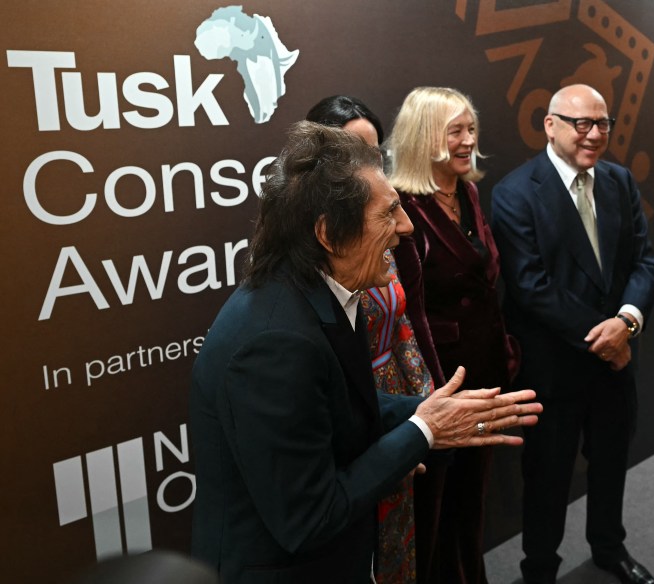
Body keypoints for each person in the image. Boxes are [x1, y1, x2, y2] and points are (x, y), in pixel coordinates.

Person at [189, 122, 542, 584]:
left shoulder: (330, 292)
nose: (406, 226)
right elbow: (310, 518)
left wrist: (431, 412)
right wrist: (422, 432)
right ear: (329, 235)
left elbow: (337, 404)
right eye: (388, 213)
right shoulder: (274, 345)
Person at [491, 84, 654, 584]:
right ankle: (539, 570)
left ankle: (609, 550)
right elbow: (531, 287)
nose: (593, 135)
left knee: (611, 465)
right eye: (580, 123)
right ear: (550, 124)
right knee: (547, 479)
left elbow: (645, 263)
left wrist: (626, 324)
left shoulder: (619, 181)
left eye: (602, 124)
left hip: (616, 362)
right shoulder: (515, 192)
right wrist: (606, 340)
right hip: (554, 371)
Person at [306, 95, 442, 584]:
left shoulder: (382, 232)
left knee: (400, 539)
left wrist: (426, 405)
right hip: (355, 419)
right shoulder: (319, 254)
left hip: (394, 403)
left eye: (375, 155)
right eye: (353, 155)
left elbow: (403, 320)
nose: (370, 167)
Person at [387, 86, 517, 584]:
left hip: (484, 371)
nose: (468, 141)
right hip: (441, 386)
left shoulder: (467, 191)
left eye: (471, 129)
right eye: (456, 131)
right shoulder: (404, 209)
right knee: (435, 512)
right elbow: (408, 312)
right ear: (425, 138)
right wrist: (433, 392)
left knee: (471, 503)